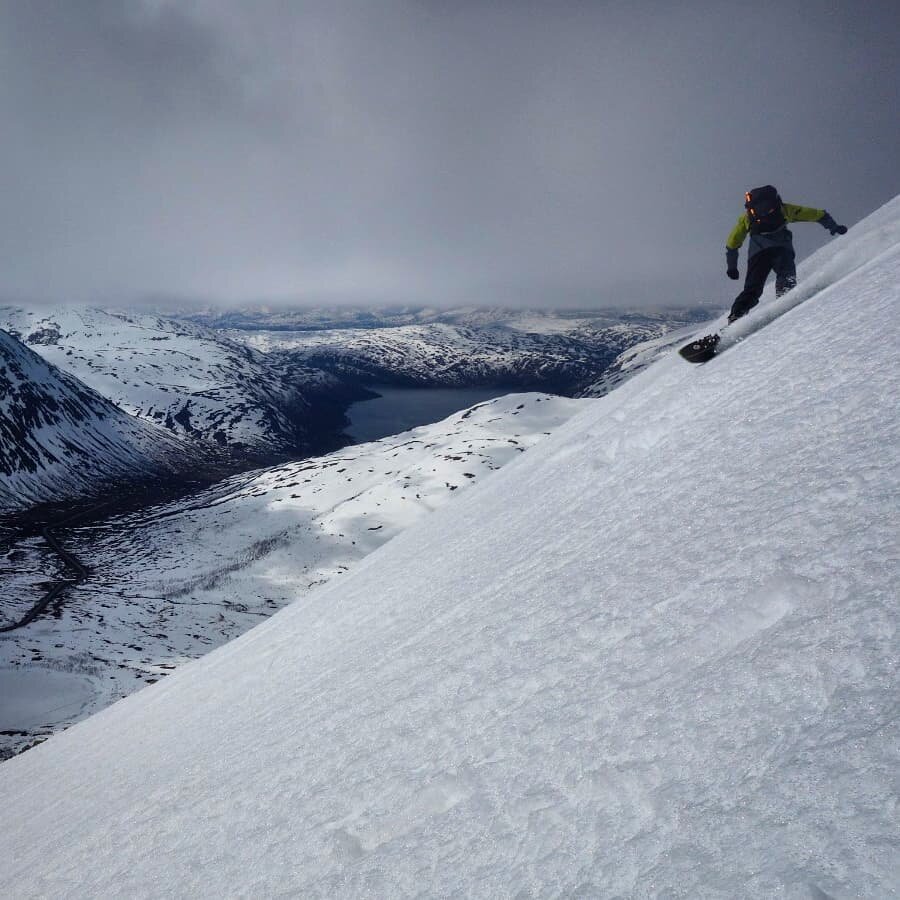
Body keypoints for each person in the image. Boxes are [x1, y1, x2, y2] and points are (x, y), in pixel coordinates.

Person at [725, 185, 847, 323]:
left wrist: (732, 267)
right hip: (781, 248)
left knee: (752, 288)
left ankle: (735, 316)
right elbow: (818, 214)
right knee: (786, 275)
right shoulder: (785, 209)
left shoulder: (747, 217)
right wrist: (834, 227)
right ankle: (785, 299)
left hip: (758, 253)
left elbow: (732, 243)